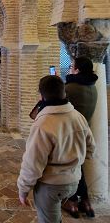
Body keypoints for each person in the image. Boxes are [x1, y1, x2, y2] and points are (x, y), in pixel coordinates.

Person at [17, 75, 95, 223]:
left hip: (50, 186)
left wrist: (23, 190)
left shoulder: (43, 124)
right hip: (74, 182)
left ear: (41, 96)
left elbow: (33, 163)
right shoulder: (78, 117)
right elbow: (91, 149)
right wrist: (73, 162)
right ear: (64, 93)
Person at [62, 56, 98, 218]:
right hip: (84, 134)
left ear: (77, 70)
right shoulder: (93, 87)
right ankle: (85, 202)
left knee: (70, 169)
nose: (70, 68)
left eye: (71, 66)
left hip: (69, 135)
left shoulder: (70, 88)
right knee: (79, 167)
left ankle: (71, 202)